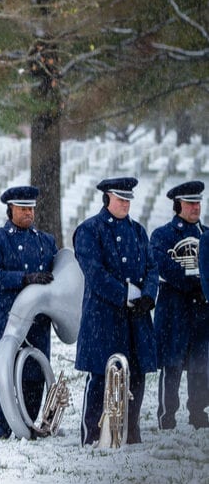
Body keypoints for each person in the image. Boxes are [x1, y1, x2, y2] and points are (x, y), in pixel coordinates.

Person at [73, 177, 158, 445]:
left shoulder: (138, 231)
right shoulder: (89, 230)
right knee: (100, 376)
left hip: (136, 318)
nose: (125, 204)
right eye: (120, 198)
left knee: (136, 376)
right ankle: (92, 435)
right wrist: (126, 295)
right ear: (107, 198)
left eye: (128, 199)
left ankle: (130, 432)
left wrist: (148, 296)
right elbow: (95, 274)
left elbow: (152, 267)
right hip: (104, 317)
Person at [0, 185, 58, 438]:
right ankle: (1, 428)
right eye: (23, 208)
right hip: (7, 317)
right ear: (10, 209)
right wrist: (24, 278)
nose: (29, 213)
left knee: (33, 375)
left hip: (37, 320)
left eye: (31, 208)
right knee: (4, 372)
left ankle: (31, 426)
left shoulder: (46, 241)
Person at [150, 181, 209, 430]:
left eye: (198, 202)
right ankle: (167, 416)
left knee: (201, 366)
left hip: (202, 313)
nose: (196, 207)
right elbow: (163, 267)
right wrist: (195, 280)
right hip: (174, 311)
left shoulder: (206, 234)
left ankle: (198, 413)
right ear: (178, 205)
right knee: (171, 366)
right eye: (190, 203)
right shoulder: (162, 235)